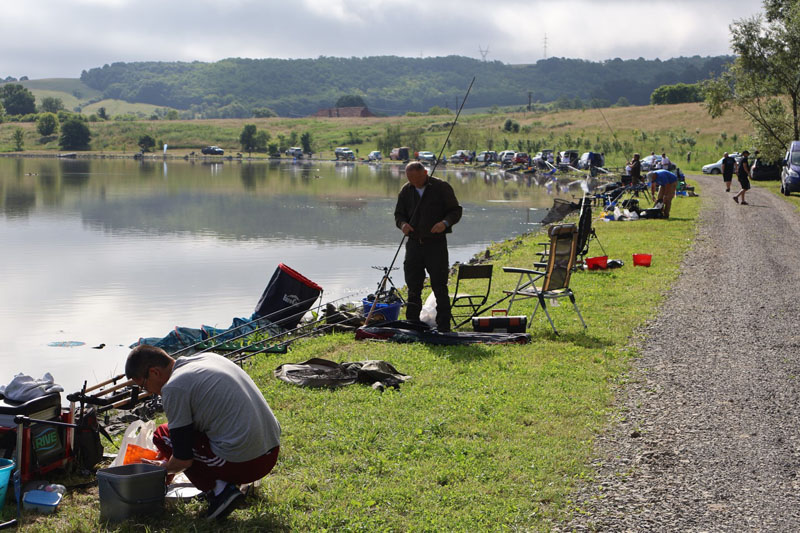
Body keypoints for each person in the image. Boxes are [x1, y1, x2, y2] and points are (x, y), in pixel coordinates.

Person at [125, 345, 281, 520]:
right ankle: (223, 483)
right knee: (173, 432)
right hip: (271, 450)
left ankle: (220, 490)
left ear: (154, 372)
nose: (149, 393)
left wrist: (164, 470)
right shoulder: (207, 358)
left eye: (144, 386)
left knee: (162, 435)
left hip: (248, 463)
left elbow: (183, 460)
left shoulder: (174, 388)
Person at [394, 161, 462, 332]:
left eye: (416, 178)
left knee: (439, 285)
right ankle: (412, 324)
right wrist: (402, 224)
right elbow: (398, 214)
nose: (414, 182)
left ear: (425, 172)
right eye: (410, 179)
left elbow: (456, 211)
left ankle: (444, 325)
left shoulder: (441, 187)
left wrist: (444, 223)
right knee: (413, 286)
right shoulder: (406, 190)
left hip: (436, 245)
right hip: (414, 245)